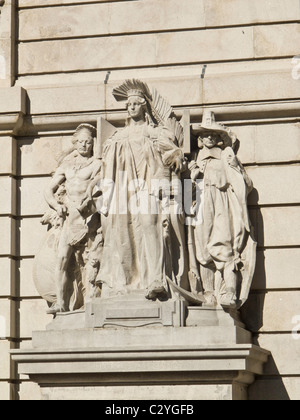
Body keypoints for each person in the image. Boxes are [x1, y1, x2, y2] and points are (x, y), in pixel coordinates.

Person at [97, 80, 186, 300]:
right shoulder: (118, 136)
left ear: (144, 106)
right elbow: (106, 163)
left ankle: (155, 278)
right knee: (123, 233)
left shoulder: (154, 132)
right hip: (125, 190)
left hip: (148, 187)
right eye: (128, 105)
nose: (131, 107)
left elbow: (174, 153)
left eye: (136, 104)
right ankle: (126, 280)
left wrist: (175, 158)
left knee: (150, 226)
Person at [188, 111, 254, 308]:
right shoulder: (195, 160)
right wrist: (190, 175)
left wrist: (238, 168)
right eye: (205, 134)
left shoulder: (226, 157)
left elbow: (246, 186)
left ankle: (229, 292)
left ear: (218, 138)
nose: (209, 137)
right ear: (199, 139)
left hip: (222, 203)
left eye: (213, 135)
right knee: (202, 250)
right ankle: (209, 294)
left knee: (223, 247)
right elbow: (184, 192)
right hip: (200, 204)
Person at [44, 124, 101, 314]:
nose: (85, 145)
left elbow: (100, 187)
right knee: (62, 260)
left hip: (89, 221)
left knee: (90, 263)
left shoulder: (97, 164)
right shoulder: (66, 166)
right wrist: (56, 205)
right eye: (81, 142)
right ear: (75, 143)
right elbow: (48, 189)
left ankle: (91, 301)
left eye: (88, 142)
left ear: (93, 144)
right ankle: (61, 302)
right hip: (69, 220)